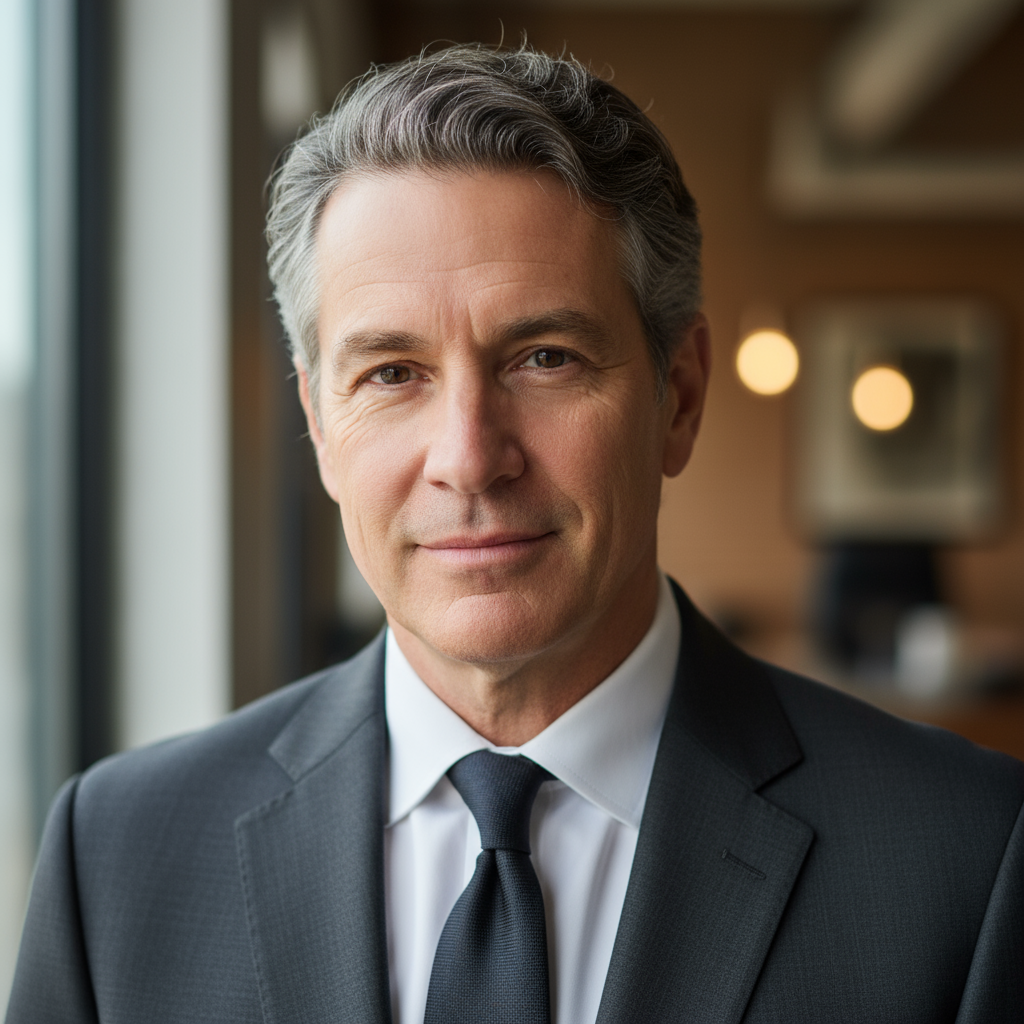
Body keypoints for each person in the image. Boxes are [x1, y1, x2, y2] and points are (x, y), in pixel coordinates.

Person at [6, 43, 1023, 1024]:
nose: (468, 456)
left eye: (543, 357)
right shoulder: (119, 857)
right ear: (319, 425)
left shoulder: (964, 860)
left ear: (678, 394)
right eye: (391, 373)